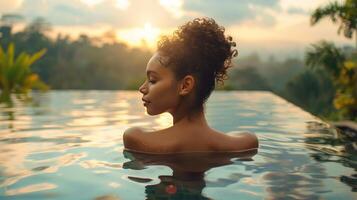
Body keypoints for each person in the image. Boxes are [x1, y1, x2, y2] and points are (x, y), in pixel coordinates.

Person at [123, 18, 258, 154]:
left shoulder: (137, 140)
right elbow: (248, 138)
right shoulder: (245, 143)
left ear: (185, 85)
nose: (142, 88)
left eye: (152, 80)